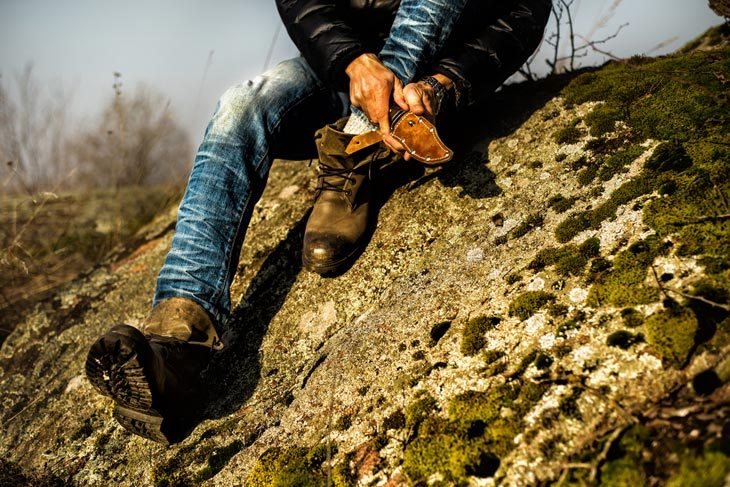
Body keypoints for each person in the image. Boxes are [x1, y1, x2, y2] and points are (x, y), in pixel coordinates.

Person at [85, 0, 552, 444]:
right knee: (238, 106)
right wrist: (352, 60)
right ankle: (177, 346)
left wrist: (445, 84)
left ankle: (355, 155)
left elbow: (525, 12)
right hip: (343, 66)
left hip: (428, 81)